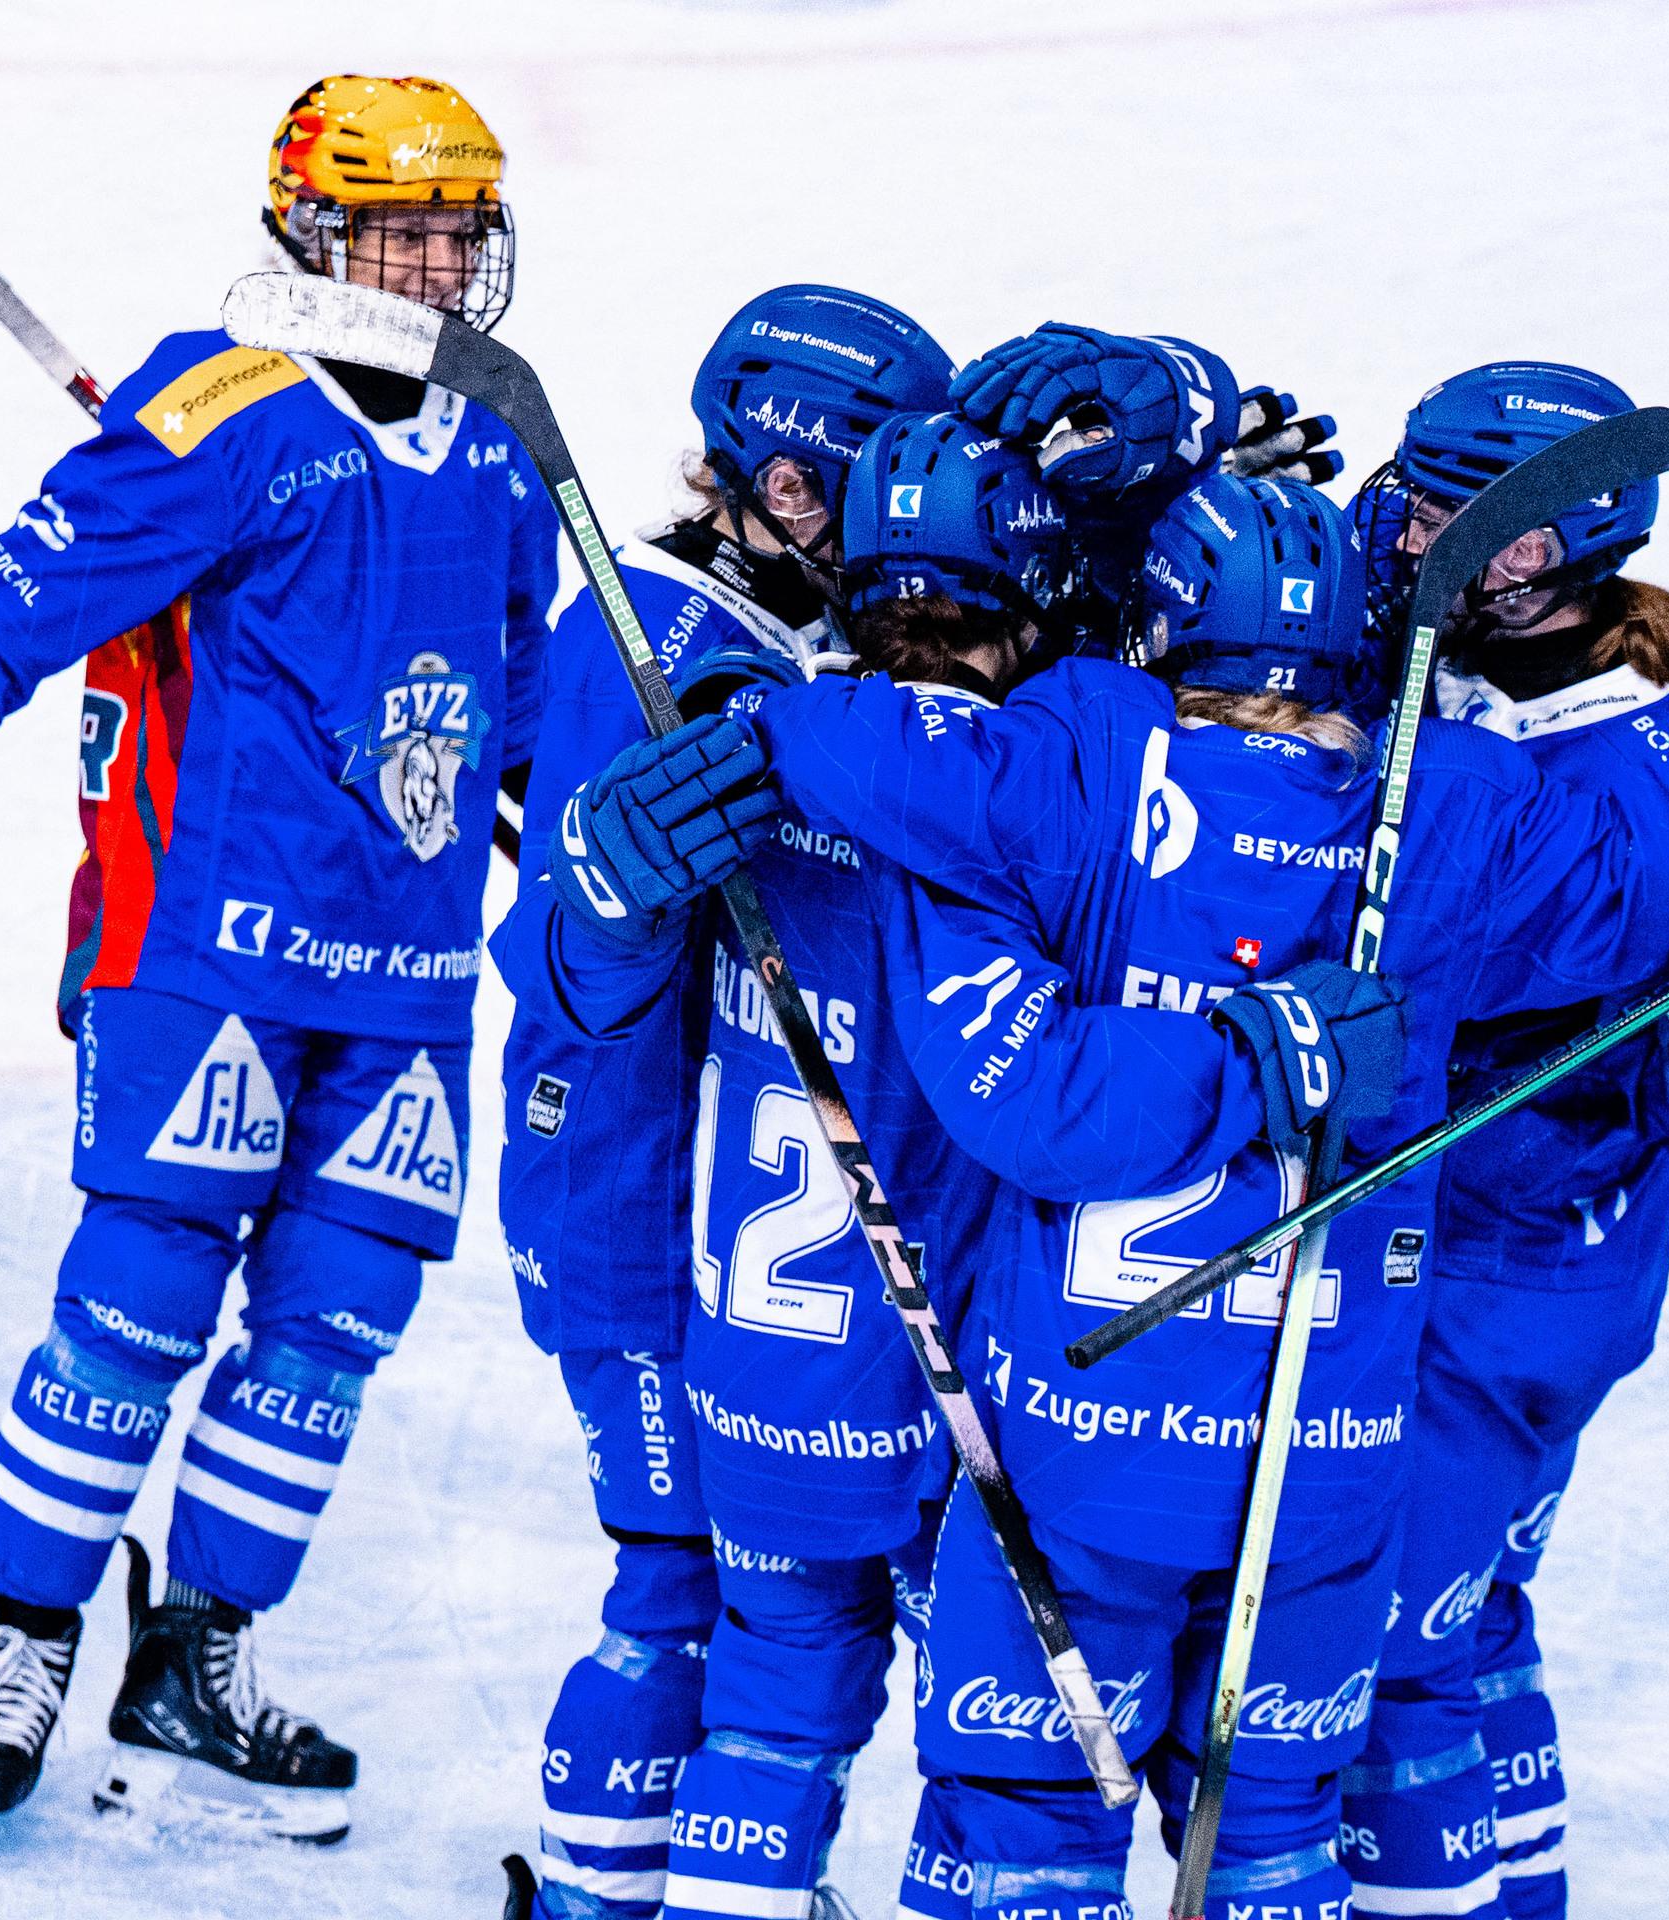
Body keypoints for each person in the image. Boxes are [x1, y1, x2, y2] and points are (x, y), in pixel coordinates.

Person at [575, 319, 1669, 1920]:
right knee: (1309, 1804)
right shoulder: (1450, 795)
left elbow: (904, 790)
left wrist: (744, 725)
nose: (1408, 530)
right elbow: (1646, 880)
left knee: (963, 1793)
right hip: (1324, 1453)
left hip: (1057, 1440)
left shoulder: (1074, 758)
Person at [0, 73, 553, 1849]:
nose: (436, 265)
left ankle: (196, 1655)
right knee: (137, 1305)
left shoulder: (500, 434)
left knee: (333, 1330)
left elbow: (523, 683)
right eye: (401, 228)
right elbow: (38, 583)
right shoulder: (221, 403)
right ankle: (23, 1638)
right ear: (312, 227)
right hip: (204, 952)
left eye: (458, 231)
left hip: (405, 981)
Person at [529, 409, 1086, 1920]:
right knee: (987, 1738)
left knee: (762, 1686)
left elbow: (587, 964)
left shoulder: (773, 742)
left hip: (759, 1356)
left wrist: (610, 890)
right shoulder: (1035, 788)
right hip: (932, 1360)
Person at [1333, 364, 1669, 1920]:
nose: (1401, 528)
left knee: (1392, 1661)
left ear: (1542, 552)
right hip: (1451, 1253)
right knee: (1468, 1625)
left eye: (1446, 514)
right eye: (1410, 490)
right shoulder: (1467, 642)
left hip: (1507, 1285)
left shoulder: (1639, 774)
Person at [492, 286, 954, 1920]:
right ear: (774, 479)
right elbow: (555, 969)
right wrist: (617, 896)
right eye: (855, 485)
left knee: (743, 1589)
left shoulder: (807, 628)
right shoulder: (647, 636)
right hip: (621, 1203)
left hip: (719, 1211)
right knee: (675, 1593)